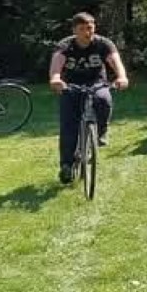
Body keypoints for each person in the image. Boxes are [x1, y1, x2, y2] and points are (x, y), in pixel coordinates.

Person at [48, 13, 130, 184]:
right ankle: (67, 166)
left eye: (90, 28)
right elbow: (56, 65)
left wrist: (122, 77)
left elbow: (115, 61)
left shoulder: (103, 43)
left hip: (96, 83)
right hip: (71, 86)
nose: (87, 32)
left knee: (104, 99)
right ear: (74, 30)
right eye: (82, 29)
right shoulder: (65, 45)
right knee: (68, 125)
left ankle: (100, 132)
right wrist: (56, 79)